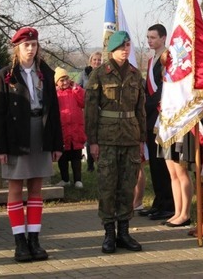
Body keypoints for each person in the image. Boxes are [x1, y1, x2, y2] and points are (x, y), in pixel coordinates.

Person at [0, 27, 63, 262]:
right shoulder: (6, 75)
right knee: (15, 189)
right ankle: (19, 242)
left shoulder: (46, 72)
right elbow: (0, 113)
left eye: (34, 45)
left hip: (40, 133)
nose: (31, 49)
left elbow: (53, 112)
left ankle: (34, 239)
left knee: (36, 188)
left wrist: (57, 144)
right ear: (17, 48)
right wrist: (0, 148)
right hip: (17, 136)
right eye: (26, 45)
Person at [84, 30, 146, 254]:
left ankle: (124, 232)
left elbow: (141, 110)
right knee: (108, 186)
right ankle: (109, 233)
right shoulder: (99, 74)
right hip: (107, 138)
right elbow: (90, 110)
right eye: (121, 47)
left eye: (128, 46)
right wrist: (92, 141)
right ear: (112, 50)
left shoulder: (134, 74)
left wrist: (142, 139)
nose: (125, 50)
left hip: (130, 137)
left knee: (127, 187)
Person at [138, 24, 175, 221]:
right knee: (153, 161)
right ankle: (159, 201)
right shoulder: (152, 59)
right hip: (150, 116)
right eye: (148, 37)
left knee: (162, 162)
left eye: (153, 37)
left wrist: (147, 105)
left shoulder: (167, 58)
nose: (149, 41)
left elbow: (165, 88)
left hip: (161, 115)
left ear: (163, 38)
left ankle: (168, 204)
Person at [54, 67, 86, 189]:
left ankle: (78, 180)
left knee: (76, 157)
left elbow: (83, 102)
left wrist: (77, 89)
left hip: (76, 129)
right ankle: (65, 178)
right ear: (57, 82)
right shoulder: (55, 94)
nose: (65, 82)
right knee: (63, 157)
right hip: (62, 130)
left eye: (66, 79)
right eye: (62, 80)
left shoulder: (75, 91)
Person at [78, 51, 102, 172]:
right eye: (95, 60)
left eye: (99, 60)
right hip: (88, 108)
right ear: (91, 61)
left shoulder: (104, 74)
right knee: (90, 136)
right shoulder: (84, 74)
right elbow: (78, 88)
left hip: (101, 109)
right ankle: (90, 165)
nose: (97, 62)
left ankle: (101, 163)